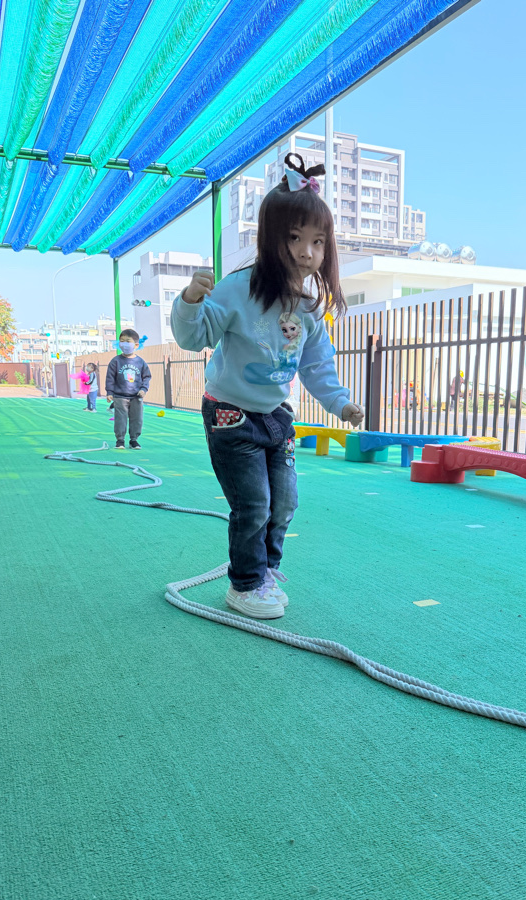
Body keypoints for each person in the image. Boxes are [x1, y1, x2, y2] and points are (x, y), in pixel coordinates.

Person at [172, 152, 364, 620]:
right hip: (230, 414)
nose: (306, 252)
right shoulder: (238, 289)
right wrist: (191, 300)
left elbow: (317, 366)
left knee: (285, 502)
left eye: (318, 242)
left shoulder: (309, 308)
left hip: (276, 417)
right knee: (253, 504)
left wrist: (340, 403)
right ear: (269, 238)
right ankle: (244, 585)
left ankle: (265, 570)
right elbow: (194, 337)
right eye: (295, 238)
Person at [104, 330, 151, 450]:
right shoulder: (115, 361)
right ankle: (120, 440)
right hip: (120, 396)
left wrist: (143, 389)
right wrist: (109, 392)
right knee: (120, 419)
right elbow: (110, 378)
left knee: (137, 419)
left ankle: (134, 440)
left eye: (128, 341)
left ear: (136, 345)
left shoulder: (140, 362)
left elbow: (146, 377)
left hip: (136, 396)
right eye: (122, 341)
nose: (124, 344)